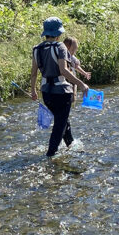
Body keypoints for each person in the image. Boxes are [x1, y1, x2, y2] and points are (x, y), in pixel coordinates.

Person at [30, 17, 89, 157]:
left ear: (46, 33)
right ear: (58, 34)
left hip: (46, 93)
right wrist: (81, 84)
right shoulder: (60, 47)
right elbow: (63, 70)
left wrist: (33, 90)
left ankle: (70, 144)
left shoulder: (37, 49)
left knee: (62, 119)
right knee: (60, 124)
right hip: (62, 92)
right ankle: (50, 155)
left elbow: (33, 73)